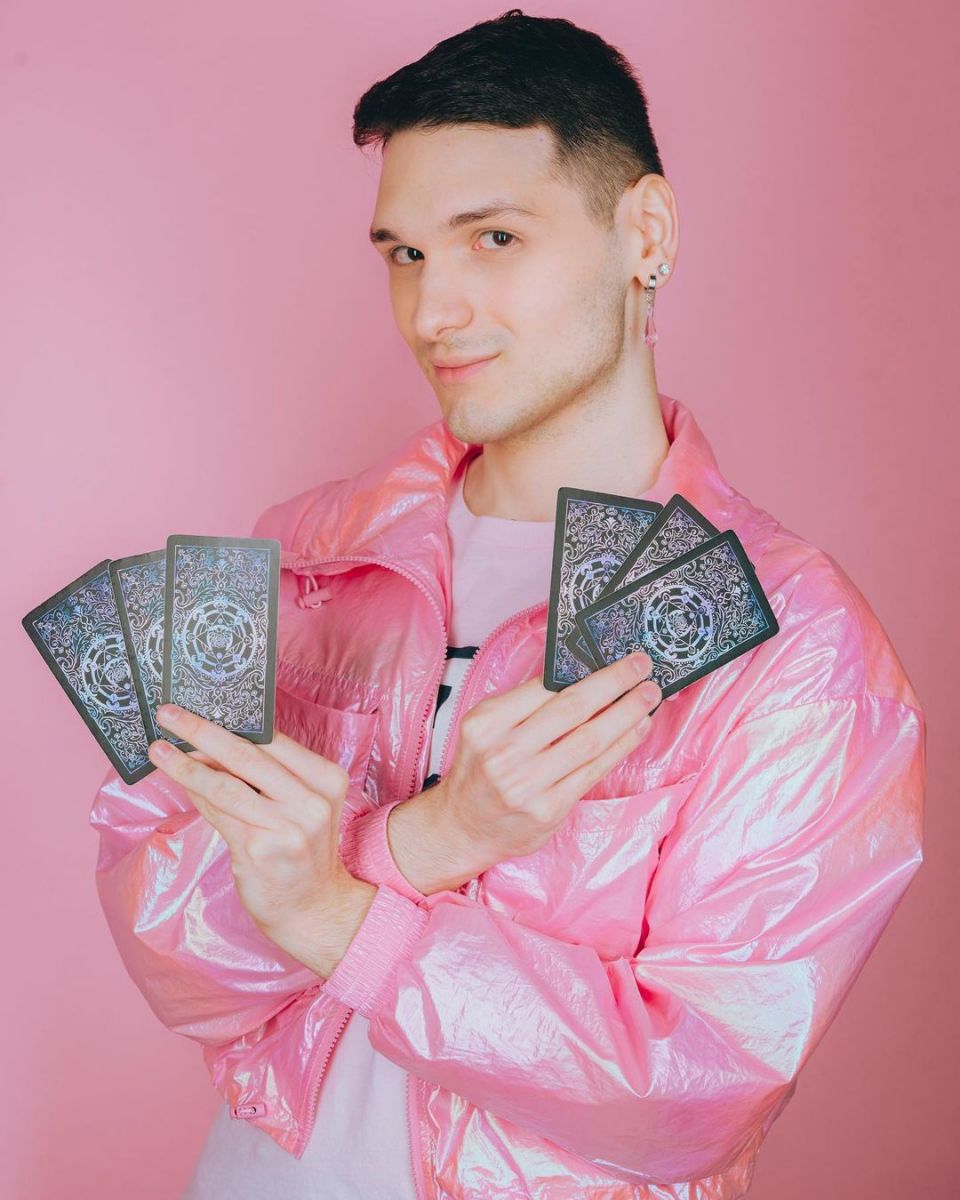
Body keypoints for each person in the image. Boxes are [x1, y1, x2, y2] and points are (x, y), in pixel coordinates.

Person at [89, 10, 926, 1199]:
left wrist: (339, 913)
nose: (432, 313)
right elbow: (169, 954)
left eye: (492, 237)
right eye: (405, 253)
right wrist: (434, 840)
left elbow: (695, 1097)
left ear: (644, 231)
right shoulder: (305, 552)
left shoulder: (799, 645)